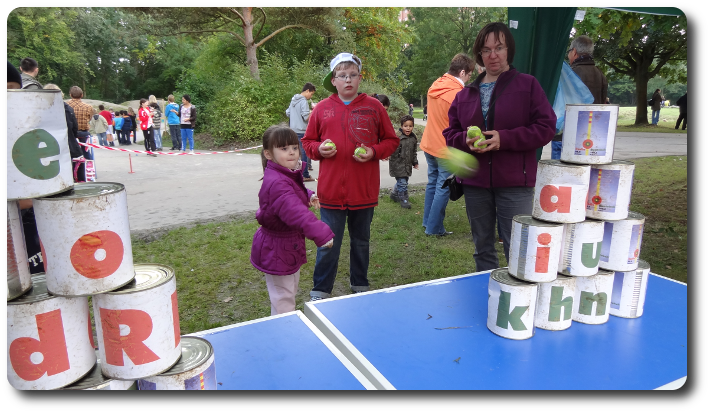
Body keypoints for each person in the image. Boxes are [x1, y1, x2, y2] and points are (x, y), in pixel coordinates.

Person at [443, 22, 556, 272]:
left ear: (509, 50)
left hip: (515, 183)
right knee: (482, 246)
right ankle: (487, 292)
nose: (492, 55)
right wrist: (466, 141)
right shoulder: (465, 93)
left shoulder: (527, 85)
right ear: (479, 54)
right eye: (486, 50)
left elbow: (546, 127)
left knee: (518, 246)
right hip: (475, 184)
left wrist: (504, 139)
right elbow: (450, 134)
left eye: (499, 48)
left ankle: (519, 300)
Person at [302, 52, 399, 301]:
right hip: (332, 192)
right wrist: (318, 150)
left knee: (361, 243)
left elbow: (391, 140)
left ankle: (360, 286)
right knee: (328, 244)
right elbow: (308, 142)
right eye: (342, 75)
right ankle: (320, 290)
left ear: (359, 78)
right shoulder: (322, 109)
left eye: (352, 75)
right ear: (333, 80)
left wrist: (374, 151)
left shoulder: (374, 107)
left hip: (363, 192)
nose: (348, 80)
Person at [250, 126, 335, 315]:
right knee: (283, 299)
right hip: (277, 249)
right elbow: (295, 212)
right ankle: (283, 331)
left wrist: (308, 195)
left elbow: (294, 193)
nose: (291, 152)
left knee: (288, 291)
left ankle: (283, 325)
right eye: (283, 148)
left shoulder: (285, 174)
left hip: (286, 246)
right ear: (268, 154)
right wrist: (322, 234)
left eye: (294, 148)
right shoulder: (277, 182)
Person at [420, 53, 476, 237]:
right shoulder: (457, 94)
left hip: (429, 143)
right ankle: (434, 228)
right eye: (469, 75)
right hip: (445, 146)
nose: (469, 79)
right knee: (443, 187)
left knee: (433, 183)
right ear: (462, 72)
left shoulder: (436, 85)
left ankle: (427, 221)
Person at [551, 35, 608, 159]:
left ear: (574, 52)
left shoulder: (569, 74)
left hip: (565, 136)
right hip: (590, 136)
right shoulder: (600, 74)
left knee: (561, 173)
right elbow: (603, 103)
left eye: (569, 52)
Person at [387, 115, 419, 209]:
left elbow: (414, 152)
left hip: (407, 165)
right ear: (401, 126)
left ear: (413, 126)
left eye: (410, 126)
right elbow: (390, 147)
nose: (408, 128)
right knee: (403, 183)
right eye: (405, 126)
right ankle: (404, 199)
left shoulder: (413, 138)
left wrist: (415, 162)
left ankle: (394, 194)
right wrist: (387, 153)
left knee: (403, 181)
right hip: (397, 164)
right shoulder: (397, 137)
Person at [286, 82, 316, 181]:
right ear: (307, 91)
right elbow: (306, 117)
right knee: (304, 152)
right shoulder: (303, 101)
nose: (310, 96)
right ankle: (305, 175)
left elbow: (288, 113)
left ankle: (295, 172)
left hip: (293, 130)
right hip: (301, 130)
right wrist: (314, 111)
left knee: (295, 152)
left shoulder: (293, 99)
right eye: (311, 94)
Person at [66, 86, 96, 156]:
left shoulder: (66, 105)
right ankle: (88, 163)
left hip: (70, 133)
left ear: (70, 95)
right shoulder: (88, 107)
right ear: (82, 95)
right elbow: (90, 118)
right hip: (83, 132)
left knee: (70, 151)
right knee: (86, 151)